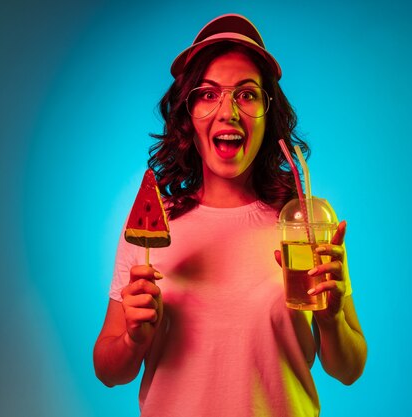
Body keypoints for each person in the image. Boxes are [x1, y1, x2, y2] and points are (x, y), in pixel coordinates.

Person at [93, 13, 367, 416]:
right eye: (208, 94)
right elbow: (108, 370)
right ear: (188, 114)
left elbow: (349, 369)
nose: (228, 112)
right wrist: (133, 339)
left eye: (246, 94)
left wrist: (330, 320)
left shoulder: (304, 225)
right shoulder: (154, 228)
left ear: (267, 112)